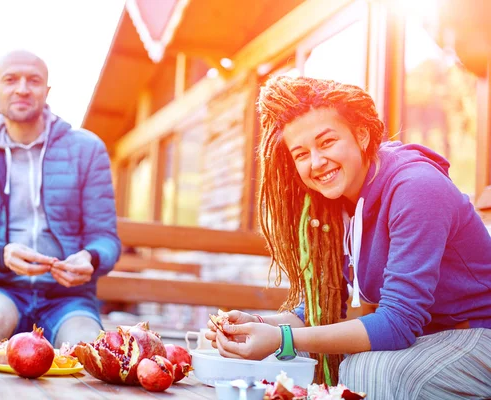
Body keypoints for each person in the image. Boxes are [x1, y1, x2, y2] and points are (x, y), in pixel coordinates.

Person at [206, 76, 491, 398]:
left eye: (327, 142)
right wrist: (258, 323)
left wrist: (283, 338)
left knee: (366, 369)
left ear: (362, 134)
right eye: (301, 154)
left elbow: (399, 322)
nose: (316, 162)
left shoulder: (417, 188)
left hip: (481, 334)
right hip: (431, 339)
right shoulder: (335, 205)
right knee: (310, 360)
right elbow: (313, 313)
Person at [0, 50, 121, 399]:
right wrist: (1, 256)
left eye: (34, 80)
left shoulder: (87, 149)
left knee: (88, 342)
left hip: (67, 297)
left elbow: (106, 238)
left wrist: (90, 258)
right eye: (11, 80)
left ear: (47, 90)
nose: (23, 89)